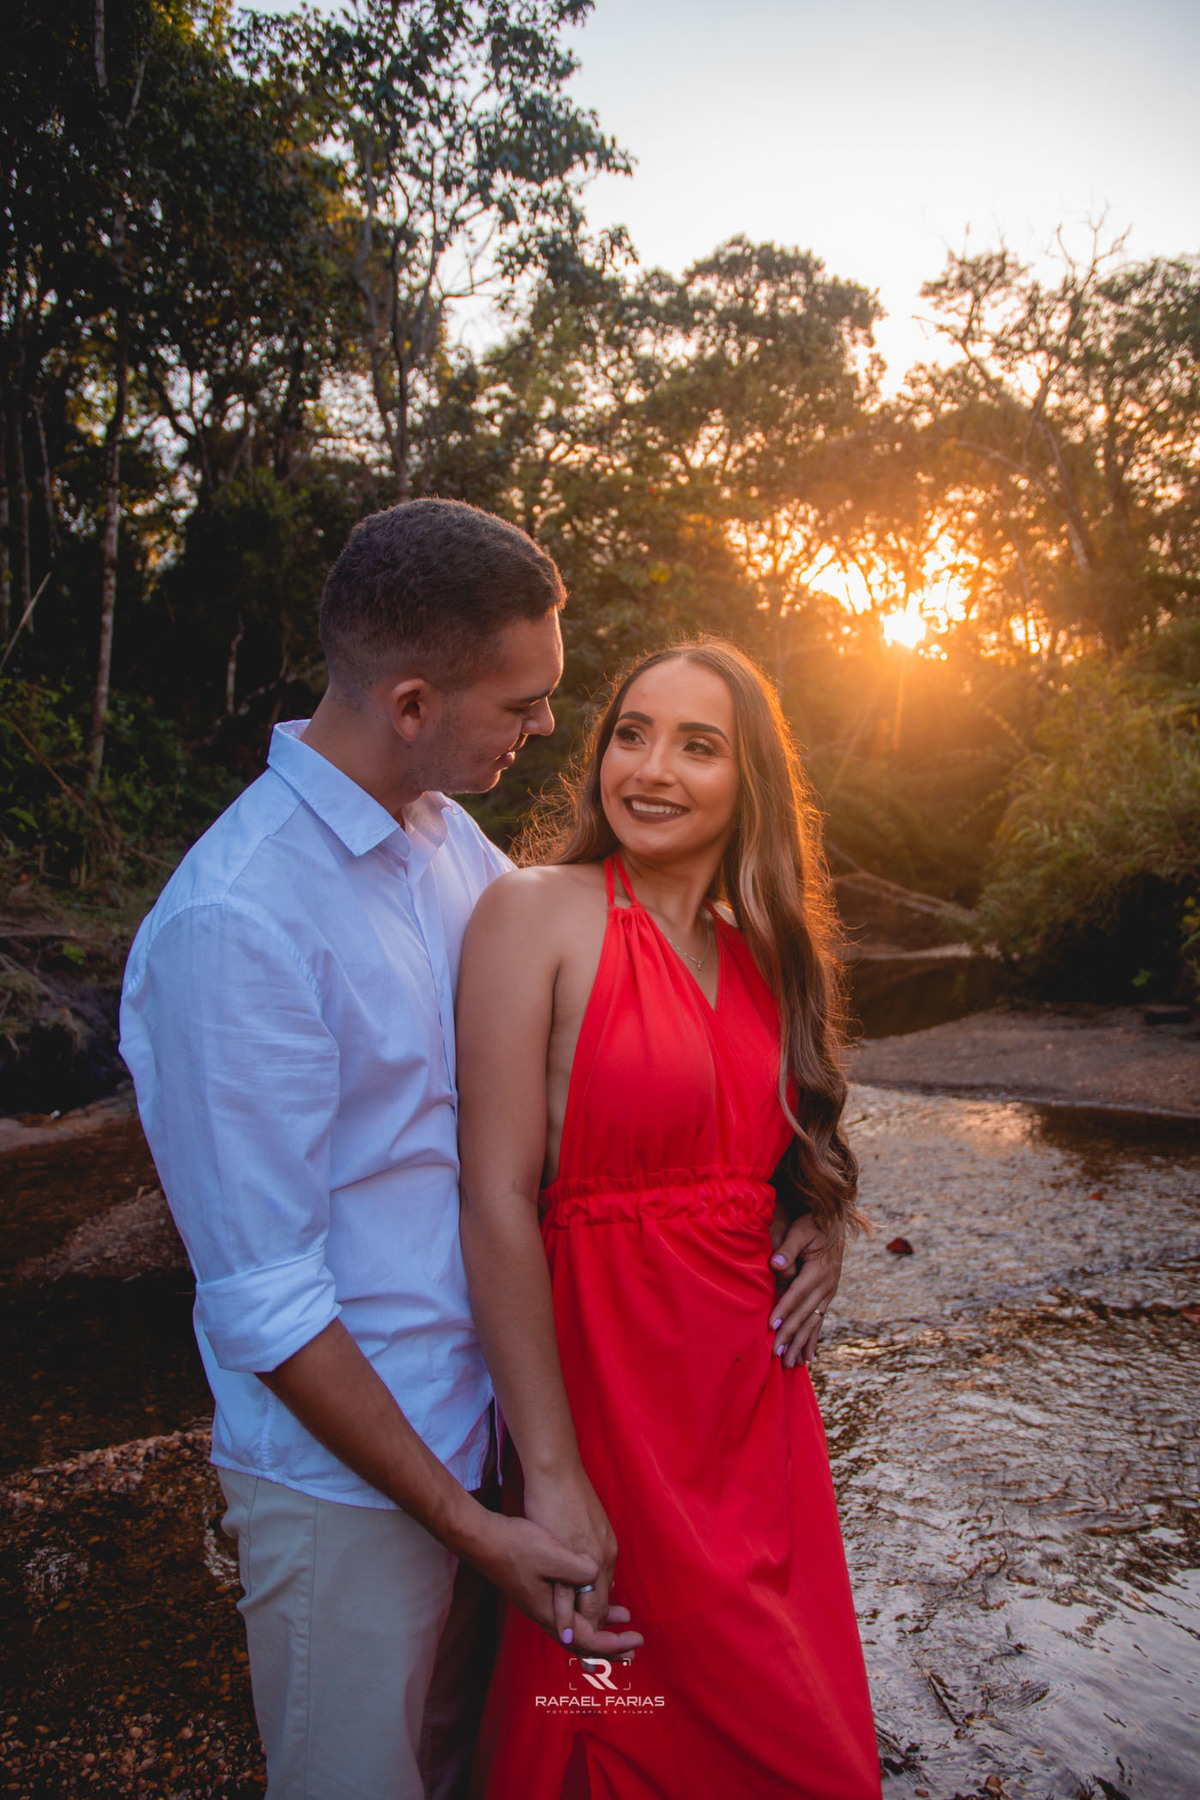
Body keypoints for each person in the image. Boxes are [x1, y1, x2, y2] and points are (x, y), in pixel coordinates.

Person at [118, 498, 641, 1800]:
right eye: (522, 704)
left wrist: (795, 1188)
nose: (545, 731)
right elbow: (267, 1302)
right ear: (412, 702)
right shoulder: (236, 924)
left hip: (480, 1438)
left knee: (462, 1769)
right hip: (348, 1496)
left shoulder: (447, 840)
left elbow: (549, 1077)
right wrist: (466, 1529)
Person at [456, 639, 881, 1799]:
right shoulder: (533, 912)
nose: (650, 768)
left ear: (750, 785)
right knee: (619, 1709)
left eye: (699, 746)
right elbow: (493, 1198)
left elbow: (786, 1153)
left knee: (801, 1741)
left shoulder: (768, 960)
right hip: (607, 1402)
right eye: (631, 734)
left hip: (754, 1420)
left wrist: (818, 1228)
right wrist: (550, 1472)